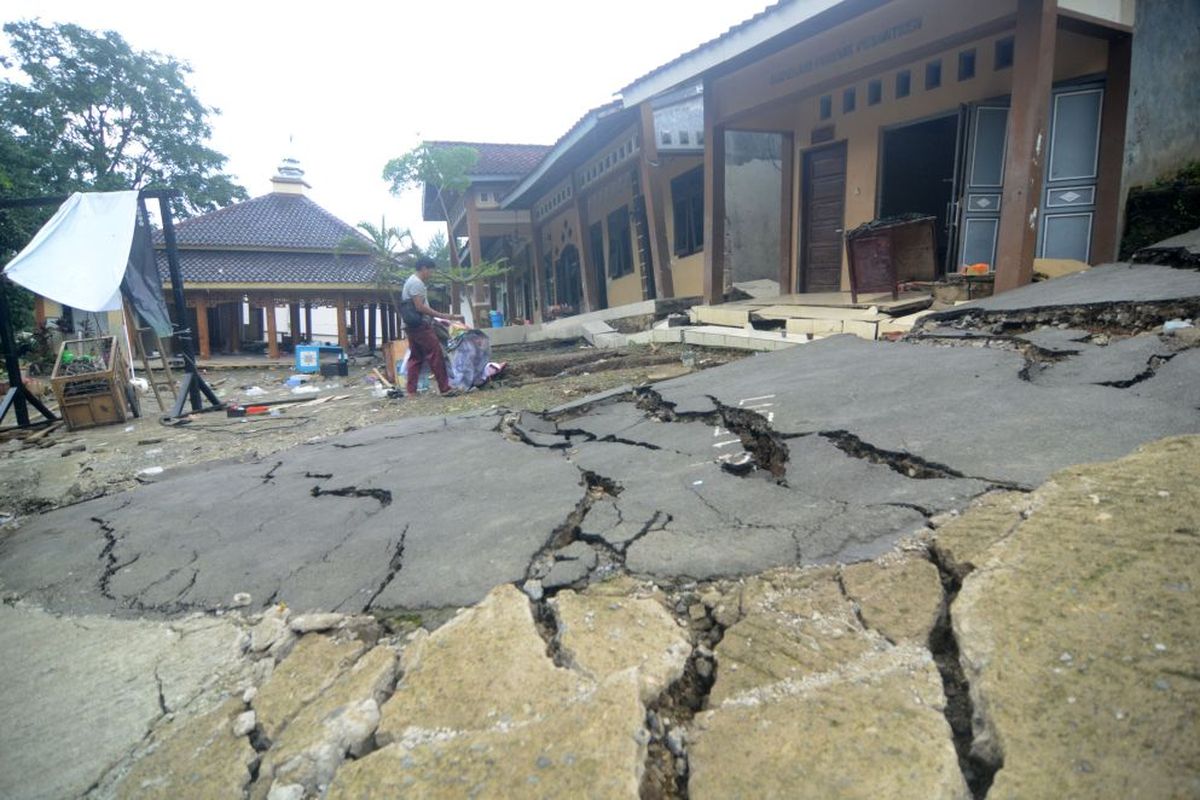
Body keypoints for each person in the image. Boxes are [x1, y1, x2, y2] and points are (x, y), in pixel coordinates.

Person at [400, 257, 462, 397]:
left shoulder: (410, 281)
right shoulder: (417, 283)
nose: (431, 274)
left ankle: (411, 390)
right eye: (430, 271)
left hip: (411, 325)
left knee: (415, 357)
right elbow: (420, 307)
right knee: (435, 354)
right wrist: (443, 315)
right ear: (424, 268)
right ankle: (445, 388)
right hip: (420, 325)